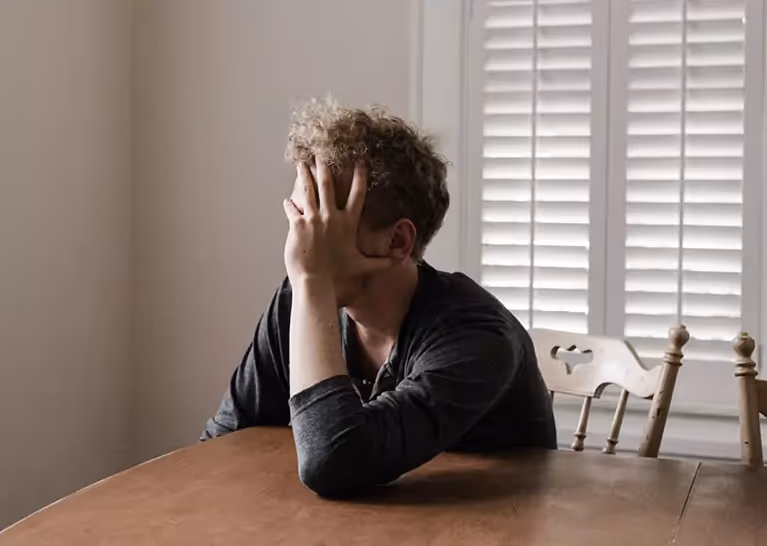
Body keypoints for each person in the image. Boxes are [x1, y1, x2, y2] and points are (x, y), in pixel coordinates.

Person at [202, 98, 557, 496]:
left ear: (398, 241)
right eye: (299, 219)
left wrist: (314, 281)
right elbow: (221, 445)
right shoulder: (297, 300)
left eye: (321, 222)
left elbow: (334, 463)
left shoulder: (478, 336)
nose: (298, 244)